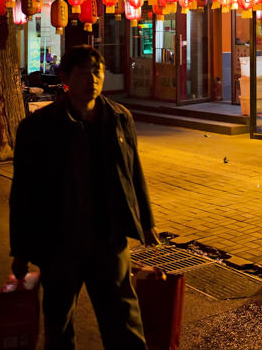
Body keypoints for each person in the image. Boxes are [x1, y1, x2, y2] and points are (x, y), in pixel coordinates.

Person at [10, 45, 158, 350]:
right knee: (59, 322)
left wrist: (146, 221)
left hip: (109, 238)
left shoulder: (119, 118)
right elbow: (24, 191)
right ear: (65, 77)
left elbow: (134, 172)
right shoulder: (38, 127)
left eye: (97, 71)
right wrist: (21, 251)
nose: (92, 78)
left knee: (124, 319)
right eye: (83, 72)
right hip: (60, 243)